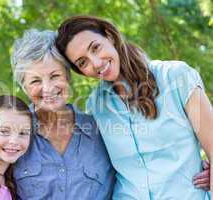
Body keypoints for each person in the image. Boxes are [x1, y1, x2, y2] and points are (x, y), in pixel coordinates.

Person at [0, 29, 115, 199]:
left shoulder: (102, 130)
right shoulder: (12, 134)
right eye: (36, 80)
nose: (48, 88)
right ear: (24, 88)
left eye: (55, 76)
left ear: (68, 77)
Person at [55, 15, 213, 199]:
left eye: (96, 47)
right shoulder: (95, 105)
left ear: (110, 36)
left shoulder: (176, 77)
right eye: (83, 62)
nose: (96, 63)